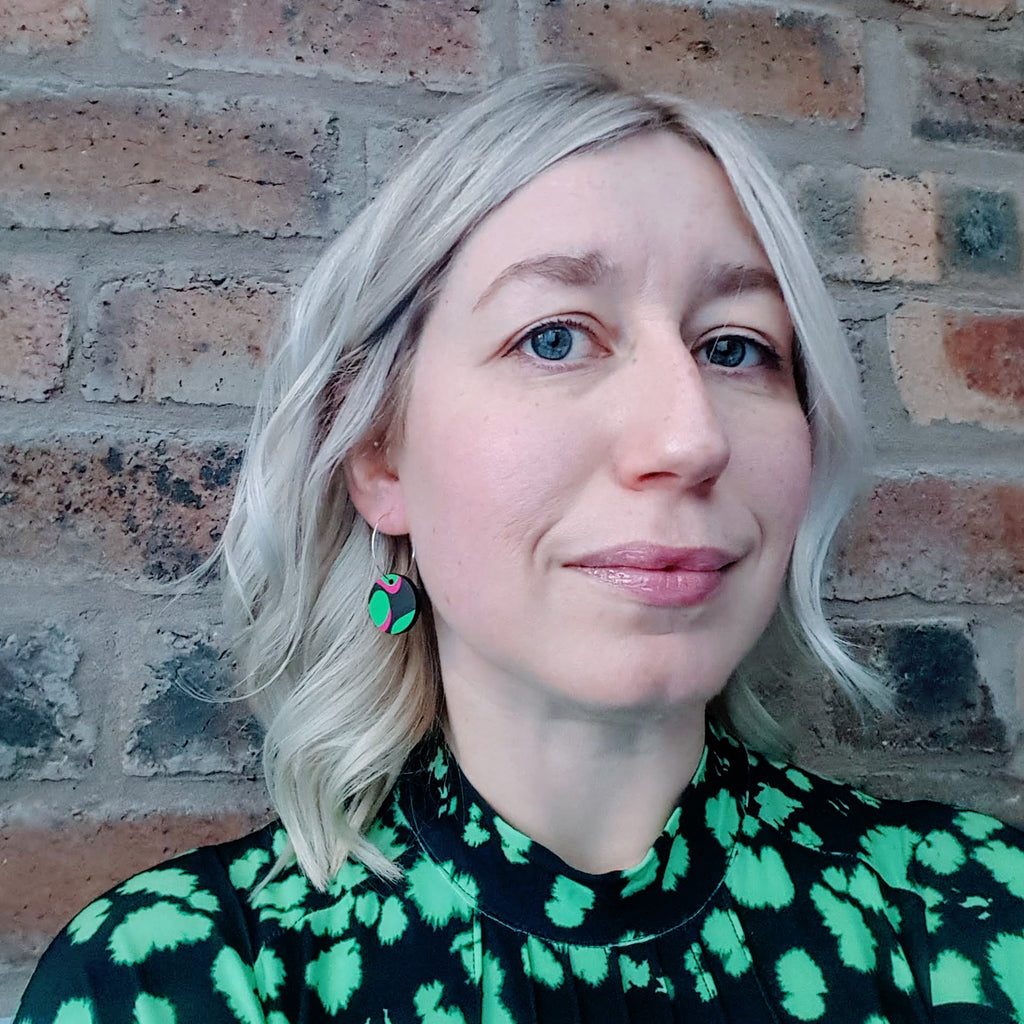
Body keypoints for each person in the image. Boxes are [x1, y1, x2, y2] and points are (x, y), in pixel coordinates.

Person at [15, 64, 1024, 1024]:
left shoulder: (971, 919)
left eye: (734, 347)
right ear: (379, 455)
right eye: (555, 337)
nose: (689, 439)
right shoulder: (180, 978)